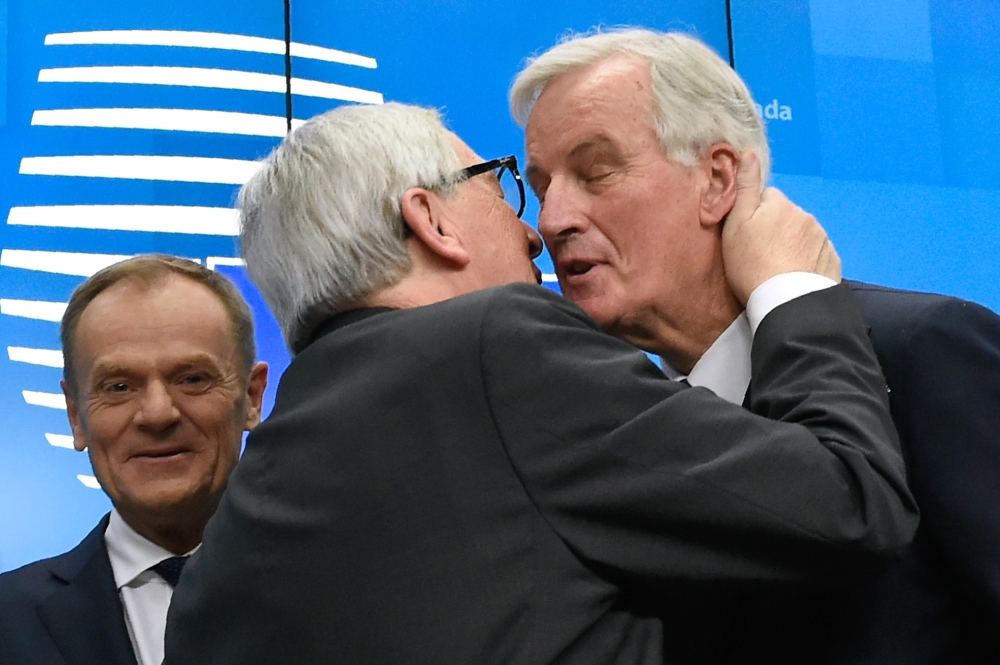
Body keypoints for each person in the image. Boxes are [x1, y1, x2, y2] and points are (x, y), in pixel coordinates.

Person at [162, 101, 916, 665]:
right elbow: (849, 501)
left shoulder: (219, 558)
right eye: (500, 189)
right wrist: (793, 291)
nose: (536, 231)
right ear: (431, 220)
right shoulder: (497, 344)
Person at [511, 27, 1000, 664]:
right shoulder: (618, 429)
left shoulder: (919, 350)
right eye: (543, 187)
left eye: (596, 172)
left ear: (716, 180)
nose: (552, 220)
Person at [0, 255, 268, 665]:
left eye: (192, 378)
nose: (158, 414)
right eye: (119, 386)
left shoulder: (349, 592)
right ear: (76, 416)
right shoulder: (8, 621)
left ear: (251, 398)